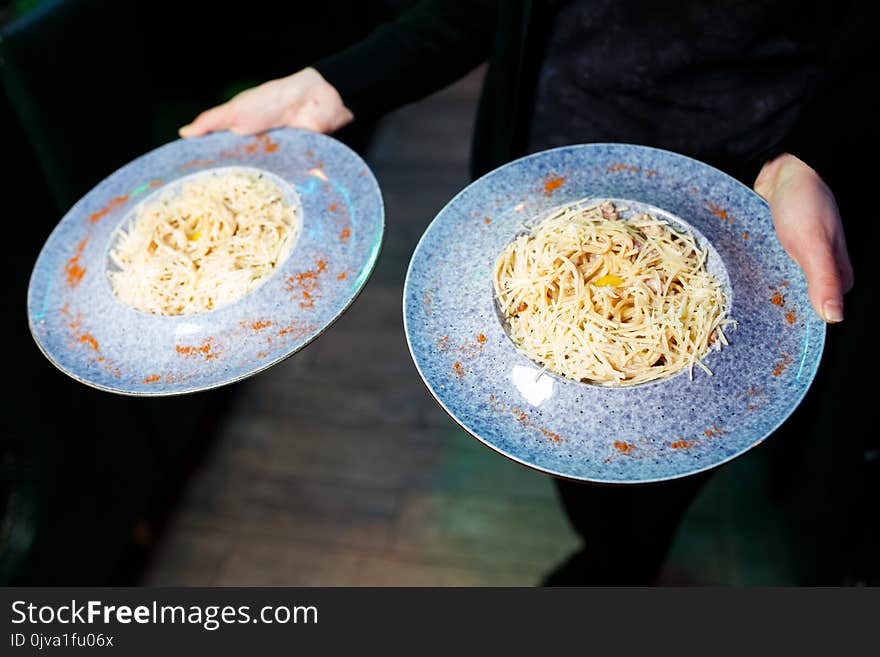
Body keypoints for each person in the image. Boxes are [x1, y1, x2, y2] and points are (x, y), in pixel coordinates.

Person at [180, 0, 876, 584]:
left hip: (739, 189)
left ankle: (621, 561)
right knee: (576, 453)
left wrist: (815, 151)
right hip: (539, 161)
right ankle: (609, 545)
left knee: (658, 461)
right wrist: (328, 85)